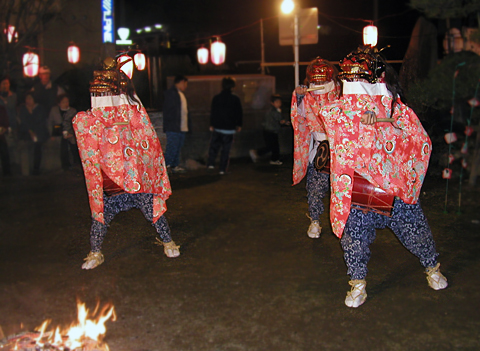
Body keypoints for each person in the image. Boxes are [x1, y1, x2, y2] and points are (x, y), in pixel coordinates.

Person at [304, 46, 447, 308]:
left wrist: (386, 123)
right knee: (353, 239)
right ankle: (358, 284)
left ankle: (432, 266)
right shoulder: (341, 111)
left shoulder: (396, 109)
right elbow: (325, 107)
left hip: (393, 191)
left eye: (358, 79)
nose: (353, 85)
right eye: (349, 79)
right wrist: (314, 93)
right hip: (357, 191)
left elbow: (418, 140)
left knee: (416, 233)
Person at [73, 57, 180, 270]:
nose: (101, 98)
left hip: (134, 176)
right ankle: (95, 252)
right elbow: (84, 131)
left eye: (104, 94)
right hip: (108, 178)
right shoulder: (91, 118)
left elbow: (148, 140)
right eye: (97, 94)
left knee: (152, 209)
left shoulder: (132, 110)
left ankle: (168, 241)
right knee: (100, 215)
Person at [290, 57, 341, 238]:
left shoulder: (342, 91)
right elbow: (300, 118)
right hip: (320, 149)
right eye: (315, 80)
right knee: (315, 187)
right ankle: (315, 220)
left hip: (343, 149)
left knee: (343, 188)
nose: (319, 83)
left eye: (323, 80)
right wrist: (300, 96)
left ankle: (345, 224)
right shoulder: (307, 94)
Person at [207, 77, 243, 175]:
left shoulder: (216, 98)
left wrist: (212, 124)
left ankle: (211, 163)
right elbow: (239, 113)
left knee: (214, 146)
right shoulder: (235, 99)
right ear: (233, 87)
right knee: (226, 150)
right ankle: (222, 169)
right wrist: (239, 125)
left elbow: (213, 112)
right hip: (229, 129)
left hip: (218, 127)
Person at [249, 94, 289, 165]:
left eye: (279, 102)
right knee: (274, 146)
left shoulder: (271, 110)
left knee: (272, 146)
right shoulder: (274, 111)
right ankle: (262, 154)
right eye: (277, 102)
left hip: (269, 130)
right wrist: (286, 122)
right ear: (272, 103)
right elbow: (280, 119)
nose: (279, 104)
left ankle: (272, 158)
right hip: (271, 131)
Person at [17, 93, 49, 175]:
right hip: (27, 132)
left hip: (39, 132)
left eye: (30, 98)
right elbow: (24, 123)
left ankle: (36, 169)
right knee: (25, 145)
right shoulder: (23, 109)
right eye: (27, 99)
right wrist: (30, 131)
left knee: (37, 146)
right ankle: (26, 171)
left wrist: (35, 132)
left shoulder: (40, 108)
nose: (28, 101)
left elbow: (40, 122)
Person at [163, 75, 189, 173]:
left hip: (180, 126)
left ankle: (174, 165)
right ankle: (168, 165)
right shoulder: (172, 94)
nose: (185, 86)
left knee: (178, 146)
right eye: (185, 83)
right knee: (172, 146)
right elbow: (170, 111)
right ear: (182, 82)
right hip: (174, 126)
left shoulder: (179, 94)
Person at [48, 94, 80, 170]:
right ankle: (65, 166)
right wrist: (52, 134)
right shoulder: (54, 110)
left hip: (70, 133)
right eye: (63, 102)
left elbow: (76, 124)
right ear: (59, 103)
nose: (66, 103)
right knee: (62, 145)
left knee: (72, 144)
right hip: (58, 133)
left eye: (67, 102)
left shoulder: (72, 111)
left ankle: (75, 164)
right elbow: (50, 122)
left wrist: (71, 133)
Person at [0, 76, 17, 174]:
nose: (5, 86)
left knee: (11, 147)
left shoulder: (13, 96)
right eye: (3, 84)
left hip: (11, 124)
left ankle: (11, 169)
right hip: (1, 126)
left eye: (6, 83)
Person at [0, 104, 10, 175]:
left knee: (4, 151)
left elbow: (6, 122)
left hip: (1, 134)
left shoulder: (2, 109)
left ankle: (7, 173)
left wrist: (2, 130)